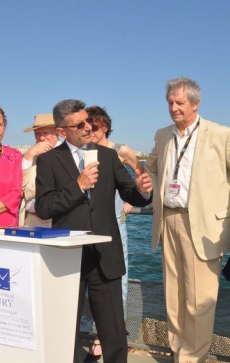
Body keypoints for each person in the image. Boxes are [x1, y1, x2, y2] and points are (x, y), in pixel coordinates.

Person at [35, 99, 153, 363]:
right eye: (80, 124)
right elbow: (43, 207)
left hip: (104, 256)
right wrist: (78, 186)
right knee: (64, 327)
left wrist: (144, 191)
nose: (89, 127)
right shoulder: (48, 161)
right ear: (62, 131)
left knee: (112, 332)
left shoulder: (108, 156)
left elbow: (131, 193)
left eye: (89, 120)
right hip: (67, 257)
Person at [144, 77, 230, 362]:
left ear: (195, 103)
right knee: (174, 294)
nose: (174, 108)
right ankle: (178, 350)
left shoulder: (221, 134)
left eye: (180, 103)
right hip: (168, 220)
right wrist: (149, 186)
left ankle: (193, 357)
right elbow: (151, 169)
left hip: (204, 225)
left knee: (200, 299)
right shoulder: (162, 135)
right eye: (170, 103)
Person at [81, 106, 145, 362]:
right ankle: (92, 329)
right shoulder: (85, 152)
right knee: (91, 279)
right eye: (86, 126)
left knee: (117, 276)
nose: (89, 131)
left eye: (93, 127)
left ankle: (107, 337)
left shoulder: (121, 150)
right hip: (89, 224)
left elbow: (139, 176)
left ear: (104, 127)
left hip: (114, 222)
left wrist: (133, 200)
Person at [19, 113, 60, 227]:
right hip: (30, 219)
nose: (41, 138)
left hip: (55, 220)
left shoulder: (65, 155)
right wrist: (29, 155)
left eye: (45, 133)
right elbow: (20, 183)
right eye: (37, 133)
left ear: (57, 132)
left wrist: (25, 193)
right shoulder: (32, 154)